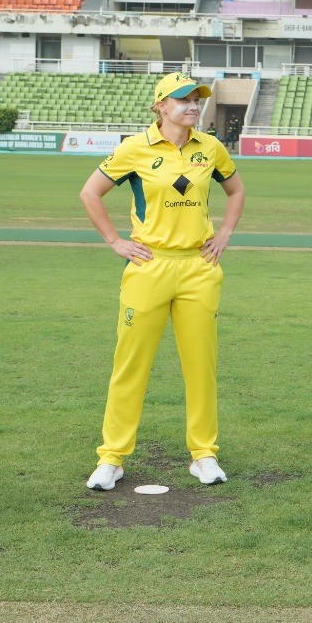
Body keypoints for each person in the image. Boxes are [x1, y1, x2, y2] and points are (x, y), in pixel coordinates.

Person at [79, 72, 246, 492]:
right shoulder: (135, 148)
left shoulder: (210, 147)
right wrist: (115, 241)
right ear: (161, 106)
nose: (193, 105)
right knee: (130, 365)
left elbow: (236, 191)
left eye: (197, 99)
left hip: (198, 268)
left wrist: (224, 233)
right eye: (183, 99)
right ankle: (112, 458)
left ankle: (203, 454)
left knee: (200, 366)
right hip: (149, 266)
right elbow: (90, 193)